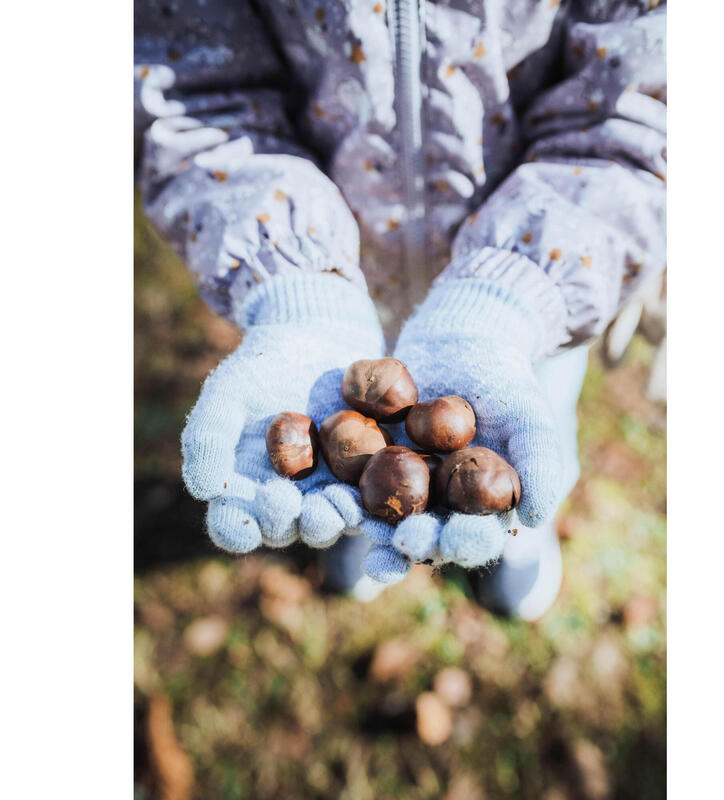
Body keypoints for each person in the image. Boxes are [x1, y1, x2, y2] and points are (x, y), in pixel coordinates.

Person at [134, 0, 666, 619]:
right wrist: (295, 283)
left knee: (527, 406)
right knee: (368, 463)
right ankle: (356, 524)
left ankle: (521, 523)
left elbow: (640, 107)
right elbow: (189, 88)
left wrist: (514, 297)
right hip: (342, 256)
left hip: (525, 281)